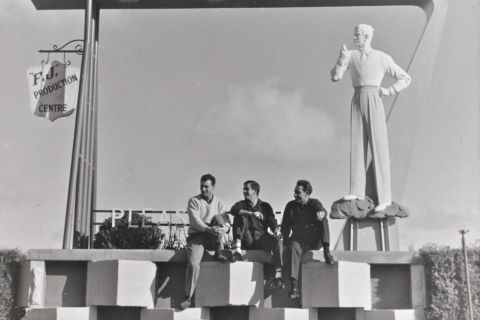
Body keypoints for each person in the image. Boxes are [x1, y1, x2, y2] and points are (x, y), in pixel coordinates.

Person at [331, 24, 411, 212]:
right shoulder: (350, 55)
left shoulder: (382, 57)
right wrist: (341, 60)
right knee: (357, 145)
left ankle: (385, 198)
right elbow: (336, 77)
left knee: (379, 147)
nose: (354, 38)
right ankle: (356, 191)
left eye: (357, 35)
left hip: (374, 97)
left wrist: (389, 90)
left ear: (366, 37)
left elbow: (405, 78)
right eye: (354, 35)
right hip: (357, 98)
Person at [180, 174, 230, 309]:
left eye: (206, 187)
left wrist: (223, 229)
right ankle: (188, 297)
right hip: (197, 236)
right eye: (202, 186)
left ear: (213, 187)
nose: (203, 189)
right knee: (193, 264)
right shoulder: (194, 201)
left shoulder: (219, 202)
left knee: (219, 218)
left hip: (213, 237)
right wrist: (209, 229)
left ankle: (218, 251)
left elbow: (226, 222)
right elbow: (195, 222)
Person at [281, 180, 334, 299]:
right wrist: (284, 243)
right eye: (295, 192)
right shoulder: (290, 206)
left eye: (298, 192)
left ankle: (327, 252)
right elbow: (285, 226)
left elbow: (321, 209)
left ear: (307, 193)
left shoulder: (314, 203)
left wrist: (322, 213)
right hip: (298, 240)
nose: (295, 195)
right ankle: (294, 287)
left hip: (314, 240)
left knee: (323, 219)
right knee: (293, 246)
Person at [230, 180, 285, 289]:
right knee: (239, 215)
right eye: (244, 189)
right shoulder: (241, 204)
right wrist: (251, 213)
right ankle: (237, 250)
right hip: (247, 239)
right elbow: (233, 210)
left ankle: (278, 275)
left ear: (255, 191)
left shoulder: (265, 206)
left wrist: (277, 231)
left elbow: (271, 220)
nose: (244, 191)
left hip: (261, 239)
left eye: (247, 189)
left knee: (278, 242)